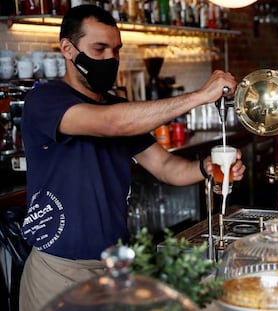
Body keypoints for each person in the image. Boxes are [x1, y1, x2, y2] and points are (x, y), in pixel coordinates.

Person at [19, 4, 245, 311]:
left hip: (114, 269)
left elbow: (166, 167)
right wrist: (199, 96)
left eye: (116, 50)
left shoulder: (119, 107)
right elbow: (110, 124)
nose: (110, 59)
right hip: (59, 271)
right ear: (68, 49)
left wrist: (206, 169)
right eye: (99, 49)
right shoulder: (45, 99)